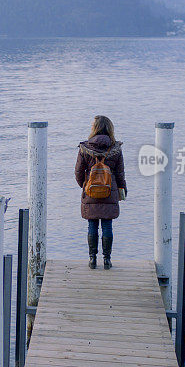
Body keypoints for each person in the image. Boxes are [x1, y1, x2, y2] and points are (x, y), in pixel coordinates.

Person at [75, 115, 126, 270]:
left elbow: (78, 172)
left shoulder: (85, 148)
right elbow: (120, 174)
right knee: (107, 225)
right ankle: (107, 260)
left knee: (92, 224)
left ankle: (92, 259)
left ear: (94, 129)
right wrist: (121, 190)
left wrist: (85, 186)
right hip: (109, 192)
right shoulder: (115, 149)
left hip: (90, 191)